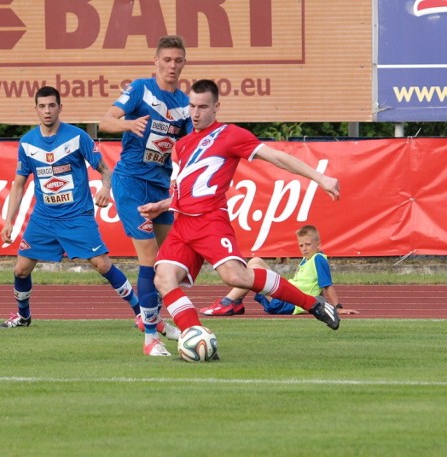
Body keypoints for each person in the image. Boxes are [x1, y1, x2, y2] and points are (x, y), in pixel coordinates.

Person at [138, 79, 342, 347]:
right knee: (163, 277)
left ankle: (312, 305)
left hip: (211, 221)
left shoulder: (231, 135)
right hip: (182, 224)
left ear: (216, 107)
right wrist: (161, 206)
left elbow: (277, 157)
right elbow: (189, 188)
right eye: (191, 106)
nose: (195, 113)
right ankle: (196, 338)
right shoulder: (184, 145)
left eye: (202, 107)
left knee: (236, 277)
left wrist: (319, 178)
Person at [0, 86, 141, 329]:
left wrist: (106, 188)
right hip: (44, 218)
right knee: (21, 270)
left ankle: (142, 312)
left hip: (76, 216)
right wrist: (9, 220)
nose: (47, 110)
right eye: (42, 106)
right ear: (36, 110)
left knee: (102, 264)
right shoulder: (27, 143)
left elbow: (105, 170)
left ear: (60, 108)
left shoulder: (77, 137)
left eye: (52, 105)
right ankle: (23, 317)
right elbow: (19, 185)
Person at [99, 35, 192, 356]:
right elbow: (105, 121)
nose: (172, 65)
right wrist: (128, 124)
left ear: (184, 64)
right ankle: (151, 337)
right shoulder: (139, 89)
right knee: (150, 259)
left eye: (178, 60)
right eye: (166, 59)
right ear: (156, 61)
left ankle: (153, 319)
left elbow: (191, 148)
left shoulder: (183, 105)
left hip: (160, 187)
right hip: (131, 184)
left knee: (169, 263)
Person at [200, 225, 359, 316]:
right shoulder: (307, 260)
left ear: (318, 244)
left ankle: (227, 302)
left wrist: (337, 308)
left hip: (287, 302)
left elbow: (326, 285)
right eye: (301, 245)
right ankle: (236, 302)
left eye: (308, 245)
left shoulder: (318, 259)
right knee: (256, 261)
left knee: (254, 268)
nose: (304, 249)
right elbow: (315, 288)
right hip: (284, 297)